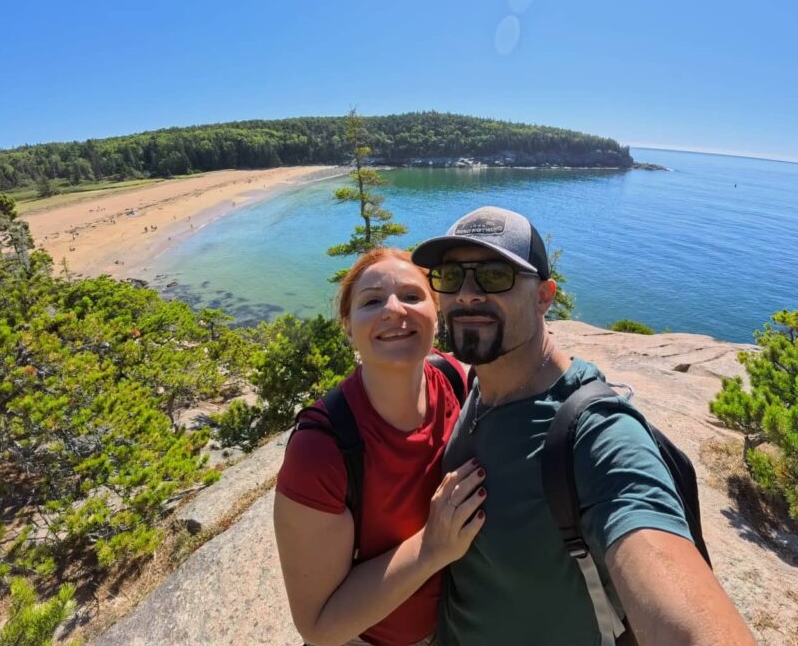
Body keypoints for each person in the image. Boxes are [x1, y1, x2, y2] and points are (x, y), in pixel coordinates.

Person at [411, 206, 756, 646]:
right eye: (452, 275)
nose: (468, 293)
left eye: (495, 275)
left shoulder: (595, 432)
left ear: (544, 296)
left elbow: (684, 615)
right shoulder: (481, 382)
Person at [274, 247, 486, 646]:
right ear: (349, 327)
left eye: (411, 296)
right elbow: (318, 627)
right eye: (372, 301)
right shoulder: (320, 449)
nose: (393, 309)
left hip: (460, 625)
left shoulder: (454, 379)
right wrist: (431, 549)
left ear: (436, 315)